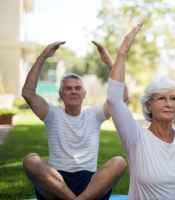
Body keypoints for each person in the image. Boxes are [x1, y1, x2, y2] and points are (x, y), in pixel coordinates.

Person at [101, 21, 175, 199]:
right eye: (161, 98)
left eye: (174, 99)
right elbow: (114, 99)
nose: (169, 103)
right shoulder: (136, 137)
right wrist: (122, 53)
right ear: (148, 104)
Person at [22, 41, 127, 200]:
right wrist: (43, 57)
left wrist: (108, 61)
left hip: (90, 185)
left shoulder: (94, 114)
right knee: (30, 160)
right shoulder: (51, 113)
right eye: (68, 88)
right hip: (56, 183)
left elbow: (122, 97)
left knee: (119, 162)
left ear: (84, 93)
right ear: (61, 94)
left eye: (77, 88)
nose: (73, 91)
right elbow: (28, 93)